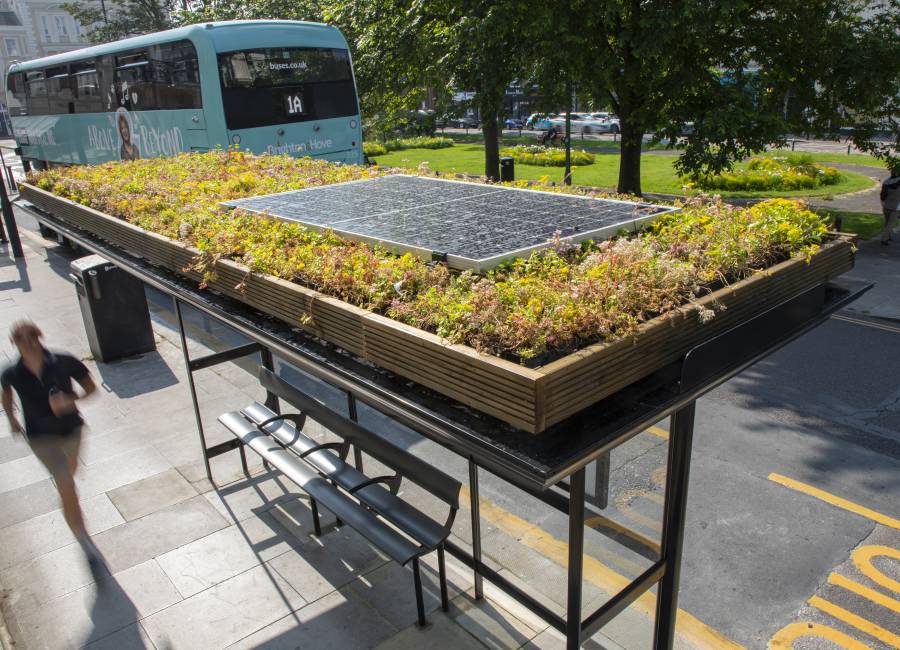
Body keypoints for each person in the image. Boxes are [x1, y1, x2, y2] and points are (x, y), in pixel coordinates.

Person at [1, 320, 103, 574]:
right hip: (40, 437)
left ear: (39, 336)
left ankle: (69, 498)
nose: (28, 342)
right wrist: (12, 418)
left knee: (70, 474)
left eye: (31, 336)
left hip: (72, 431)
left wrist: (71, 400)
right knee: (65, 482)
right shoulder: (11, 372)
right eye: (22, 339)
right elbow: (6, 393)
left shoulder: (63, 361)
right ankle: (84, 541)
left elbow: (92, 389)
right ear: (14, 343)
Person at [880, 167, 900, 246]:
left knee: (887, 222)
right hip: (897, 207)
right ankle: (884, 239)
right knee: (891, 224)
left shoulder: (886, 181)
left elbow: (882, 195)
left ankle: (888, 236)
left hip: (887, 205)